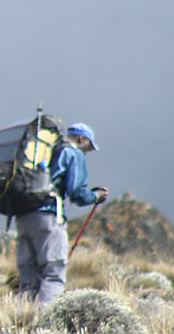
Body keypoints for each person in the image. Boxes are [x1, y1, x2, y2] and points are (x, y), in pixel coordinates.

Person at [16, 122, 107, 305]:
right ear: (81, 139)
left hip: (23, 216)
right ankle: (46, 324)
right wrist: (95, 196)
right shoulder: (72, 153)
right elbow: (77, 193)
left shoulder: (41, 152)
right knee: (53, 273)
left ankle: (22, 319)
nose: (86, 151)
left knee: (29, 278)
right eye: (88, 146)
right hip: (48, 217)